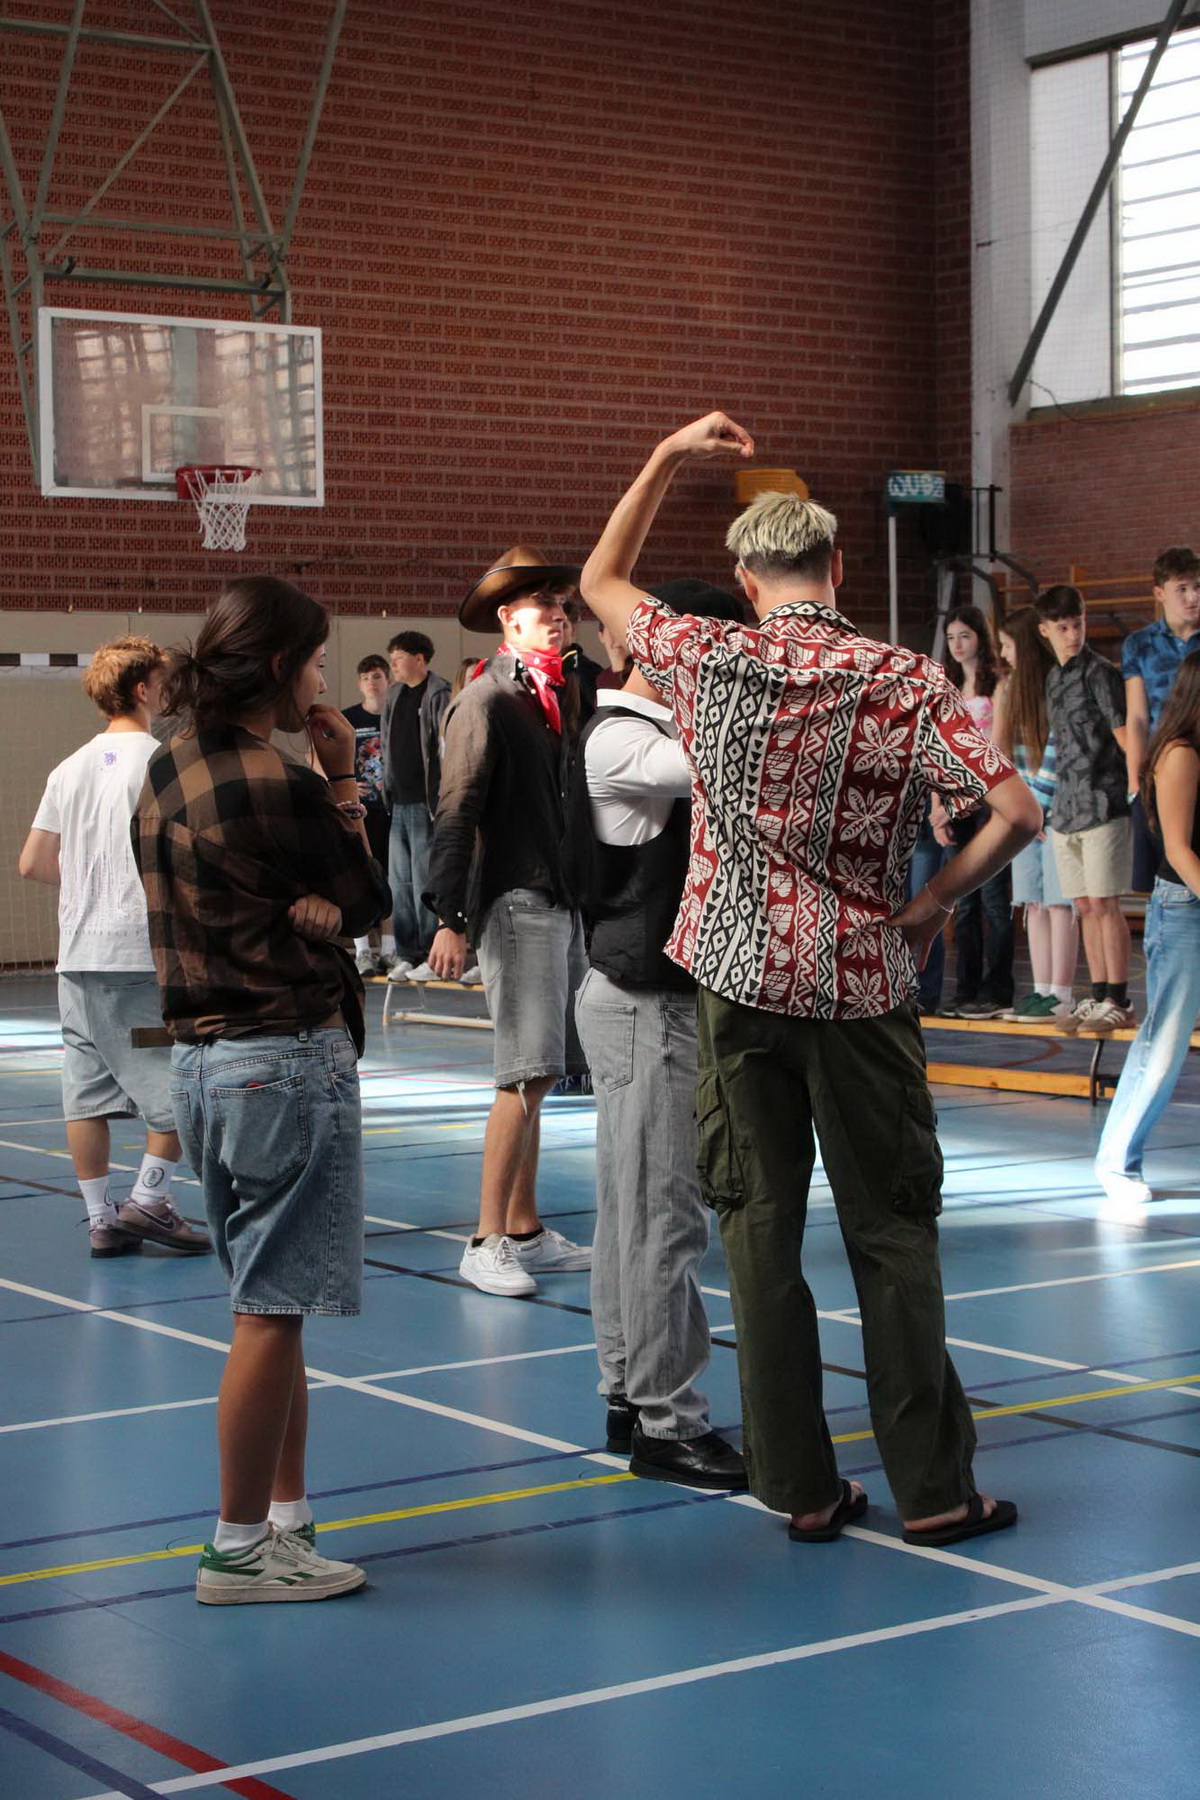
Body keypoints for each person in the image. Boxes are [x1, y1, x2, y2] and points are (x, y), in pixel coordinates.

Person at [581, 413, 1041, 1547]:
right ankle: (934, 1490)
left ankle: (799, 1486)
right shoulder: (904, 678)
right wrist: (932, 905)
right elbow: (1018, 812)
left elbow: (599, 580)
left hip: (735, 982)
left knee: (758, 1231)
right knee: (893, 1232)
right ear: (838, 565)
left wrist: (666, 457)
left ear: (746, 580)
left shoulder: (707, 653)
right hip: (861, 985)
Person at [132, 576, 392, 1605]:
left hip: (201, 1066)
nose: (323, 685)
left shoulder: (168, 763)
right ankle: (238, 1547)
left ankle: (287, 1520)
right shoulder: (282, 782)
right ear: (282, 668)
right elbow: (369, 900)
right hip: (281, 1058)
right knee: (273, 1315)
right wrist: (343, 778)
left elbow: (318, 901)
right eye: (317, 664)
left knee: (267, 1306)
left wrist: (312, 901)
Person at [566, 577, 748, 1492]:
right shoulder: (627, 739)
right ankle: (668, 1420)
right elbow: (738, 756)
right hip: (646, 1007)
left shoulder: (644, 730)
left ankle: (627, 1392)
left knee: (632, 1215)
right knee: (663, 1219)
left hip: (640, 1002)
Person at [425, 545, 592, 1297]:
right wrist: (449, 915)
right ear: (507, 619)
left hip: (559, 899)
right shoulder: (485, 701)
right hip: (516, 902)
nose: (558, 616)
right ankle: (485, 1238)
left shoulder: (555, 694)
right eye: (542, 605)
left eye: (562, 605)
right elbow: (456, 810)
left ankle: (524, 1228)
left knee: (542, 1072)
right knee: (522, 1071)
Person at [19, 637, 211, 1260]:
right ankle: (150, 1200)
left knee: (85, 1094)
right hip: (139, 956)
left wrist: (90, 883)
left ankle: (102, 1219)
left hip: (76, 958)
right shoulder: (164, 761)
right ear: (142, 689)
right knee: (180, 1086)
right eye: (164, 680)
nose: (171, 690)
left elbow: (33, 863)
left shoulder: (68, 767)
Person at [1096, 651, 1200, 1204]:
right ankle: (1118, 1161)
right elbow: (1179, 850)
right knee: (1164, 1041)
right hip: (1185, 907)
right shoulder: (1180, 754)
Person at [1037, 585, 1134, 1030]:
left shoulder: (1101, 672)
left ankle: (1119, 998)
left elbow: (1124, 734)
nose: (1073, 634)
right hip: (1067, 807)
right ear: (1045, 630)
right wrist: (1045, 804)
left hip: (1103, 801)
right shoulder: (1053, 679)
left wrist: (1139, 788)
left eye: (1077, 624)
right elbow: (1057, 744)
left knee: (1105, 902)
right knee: (1083, 904)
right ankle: (1097, 994)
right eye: (1062, 627)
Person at [994, 606, 1078, 1021]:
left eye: (1008, 646)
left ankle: (1062, 992)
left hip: (1055, 810)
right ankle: (1042, 989)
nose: (1003, 654)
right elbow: (1004, 755)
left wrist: (1038, 808)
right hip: (1029, 813)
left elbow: (1056, 754)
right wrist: (1020, 808)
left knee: (1060, 903)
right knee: (1033, 902)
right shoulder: (1010, 689)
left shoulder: (1054, 684)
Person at [939, 606, 1014, 1018]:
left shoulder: (997, 684)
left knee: (994, 901)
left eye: (965, 635)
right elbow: (939, 748)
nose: (957, 644)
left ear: (980, 638)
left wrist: (979, 794)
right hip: (956, 800)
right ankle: (965, 989)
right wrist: (939, 803)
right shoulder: (948, 686)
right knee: (964, 903)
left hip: (989, 800)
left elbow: (998, 748)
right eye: (951, 637)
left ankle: (998, 989)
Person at [1123, 547, 1200, 893]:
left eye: (1197, 587)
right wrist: (1134, 782)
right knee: (1164, 874)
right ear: (1159, 593)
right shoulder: (1140, 644)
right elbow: (1138, 718)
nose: (1192, 597)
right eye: (1182, 588)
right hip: (1161, 767)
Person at [380, 631, 450, 984]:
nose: (393, 664)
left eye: (399, 657)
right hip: (399, 799)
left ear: (420, 659)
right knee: (399, 881)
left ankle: (429, 951)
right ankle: (406, 952)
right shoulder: (394, 695)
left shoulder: (438, 694)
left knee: (423, 879)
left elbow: (444, 748)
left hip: (426, 802)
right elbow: (386, 743)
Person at [342, 653, 397, 975]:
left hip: (393, 807)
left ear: (388, 679)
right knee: (360, 875)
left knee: (391, 877)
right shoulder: (348, 718)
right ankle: (363, 950)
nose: (371, 683)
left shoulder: (397, 715)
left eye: (376, 676)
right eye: (365, 678)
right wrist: (347, 783)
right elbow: (319, 756)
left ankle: (389, 948)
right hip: (360, 811)